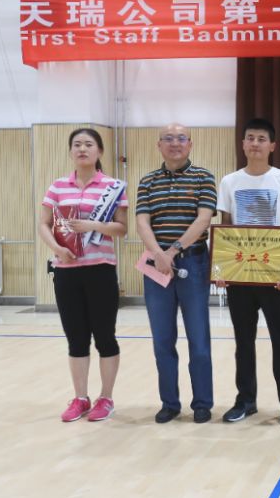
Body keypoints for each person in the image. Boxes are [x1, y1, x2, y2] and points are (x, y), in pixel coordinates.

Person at [38, 128, 128, 422]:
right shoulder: (57, 186)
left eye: (89, 144)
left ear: (99, 151)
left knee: (105, 337)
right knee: (76, 338)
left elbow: (121, 228)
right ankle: (80, 398)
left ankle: (106, 398)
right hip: (66, 272)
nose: (82, 149)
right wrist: (57, 249)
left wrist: (92, 226)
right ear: (70, 151)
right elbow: (44, 224)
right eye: (76, 144)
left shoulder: (112, 187)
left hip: (100, 270)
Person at [217, 118, 280, 426]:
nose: (255, 143)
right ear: (242, 144)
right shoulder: (229, 182)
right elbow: (225, 227)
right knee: (243, 342)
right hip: (240, 275)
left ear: (272, 145)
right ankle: (245, 400)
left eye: (261, 139)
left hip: (273, 276)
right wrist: (224, 269)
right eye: (250, 138)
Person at [135, 123, 216, 424]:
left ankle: (202, 403)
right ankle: (169, 403)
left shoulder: (204, 177)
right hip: (156, 267)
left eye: (181, 138)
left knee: (199, 339)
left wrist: (172, 251)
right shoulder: (147, 181)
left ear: (190, 144)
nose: (175, 143)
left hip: (193, 264)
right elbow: (142, 222)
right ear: (159, 145)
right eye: (168, 138)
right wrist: (158, 254)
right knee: (162, 340)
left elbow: (203, 219)